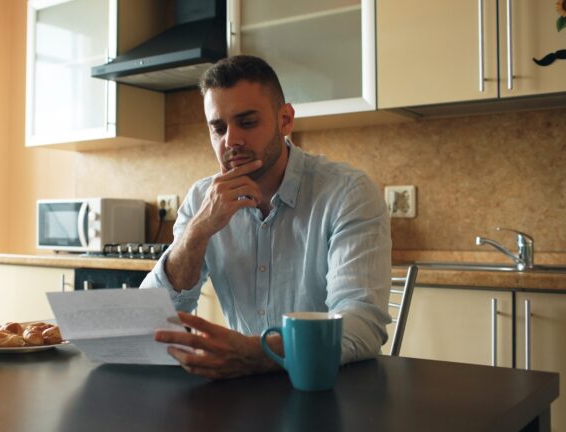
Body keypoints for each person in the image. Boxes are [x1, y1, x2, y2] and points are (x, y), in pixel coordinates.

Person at [140, 55, 392, 379]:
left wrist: (255, 354)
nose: (231, 140)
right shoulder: (202, 200)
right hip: (241, 391)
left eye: (247, 122)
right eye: (218, 128)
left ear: (285, 119)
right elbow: (149, 319)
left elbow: (361, 325)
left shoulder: (347, 193)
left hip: (329, 388)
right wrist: (197, 231)